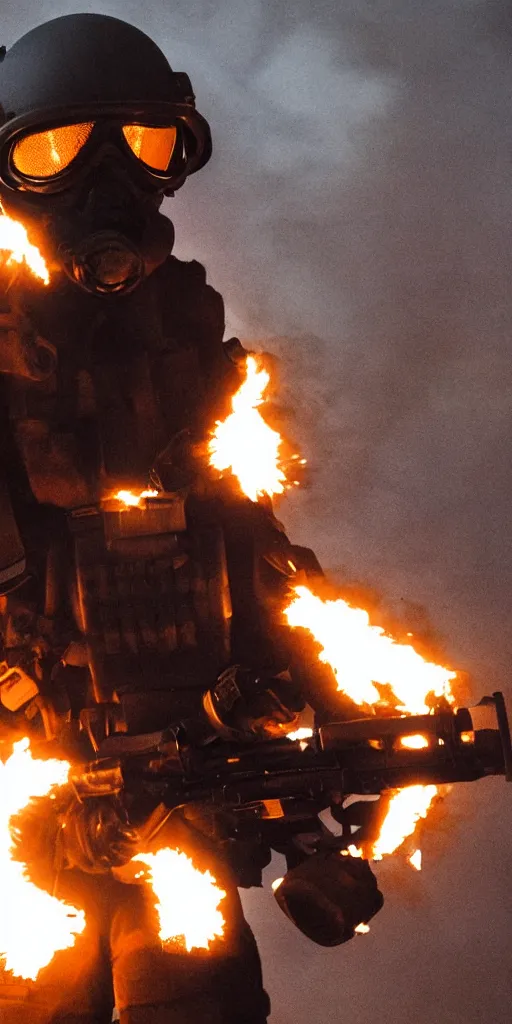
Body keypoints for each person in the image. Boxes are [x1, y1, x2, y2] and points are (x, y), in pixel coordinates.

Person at [0, 15, 382, 1024]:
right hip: (22, 769)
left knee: (194, 994)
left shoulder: (177, 329)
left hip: (173, 754)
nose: (108, 182)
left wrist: (313, 696)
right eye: (59, 149)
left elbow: (236, 528)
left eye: (143, 144)